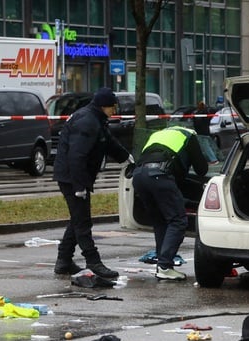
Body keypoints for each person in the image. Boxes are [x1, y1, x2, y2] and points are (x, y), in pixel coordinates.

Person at [52, 87, 134, 278]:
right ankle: (93, 262)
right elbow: (76, 156)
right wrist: (79, 186)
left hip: (75, 175)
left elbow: (108, 141)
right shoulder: (88, 122)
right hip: (72, 177)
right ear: (104, 106)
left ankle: (63, 261)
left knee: (77, 219)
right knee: (83, 222)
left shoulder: (96, 119)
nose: (114, 111)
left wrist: (126, 157)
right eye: (113, 107)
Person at [132, 125, 210, 281]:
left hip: (138, 176)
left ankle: (162, 264)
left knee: (160, 221)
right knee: (178, 220)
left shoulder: (158, 135)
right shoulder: (189, 136)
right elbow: (201, 169)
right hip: (159, 175)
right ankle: (165, 266)